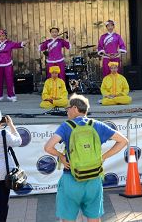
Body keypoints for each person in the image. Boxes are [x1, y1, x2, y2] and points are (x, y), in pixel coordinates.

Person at [44, 94, 128, 222]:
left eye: (68, 108)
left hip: (71, 178)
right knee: (94, 218)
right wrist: (103, 157)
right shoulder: (97, 125)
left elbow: (48, 147)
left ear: (75, 108)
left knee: (68, 218)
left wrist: (61, 156)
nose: (66, 111)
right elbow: (123, 141)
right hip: (93, 179)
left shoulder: (66, 126)